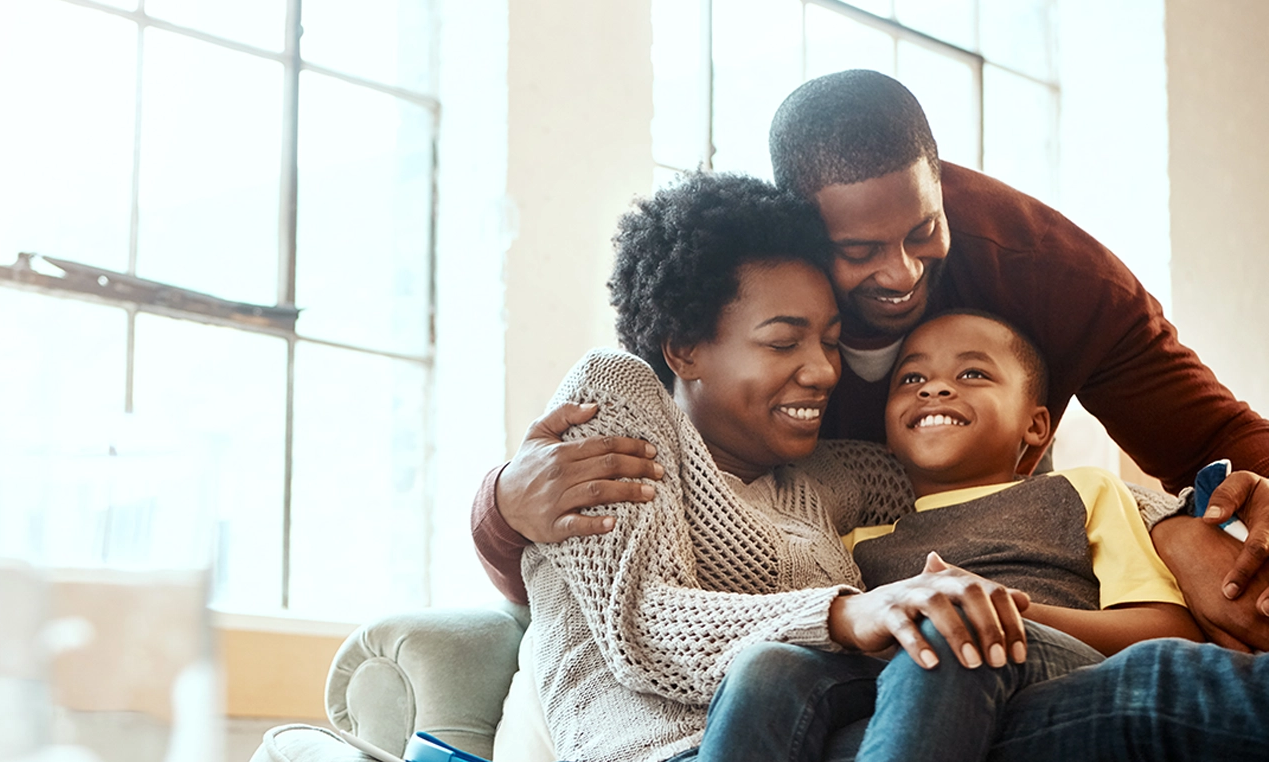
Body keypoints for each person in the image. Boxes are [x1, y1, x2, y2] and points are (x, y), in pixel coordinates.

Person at [475, 69, 1269, 649]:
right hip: (883, 638)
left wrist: (1180, 527)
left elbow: (1217, 441)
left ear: (940, 189)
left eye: (924, 231)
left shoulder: (1054, 276)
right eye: (858, 250)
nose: (900, 272)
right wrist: (502, 508)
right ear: (803, 233)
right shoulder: (724, 321)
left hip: (1021, 597)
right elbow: (613, 571)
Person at [512, 171, 1044, 762]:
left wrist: (1157, 513)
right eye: (784, 343)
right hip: (668, 755)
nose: (822, 371)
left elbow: (960, 473)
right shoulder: (617, 399)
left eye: (831, 342)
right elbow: (643, 624)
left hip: (834, 739)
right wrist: (845, 613)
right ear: (683, 348)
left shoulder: (821, 477)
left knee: (1141, 695)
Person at [691, 310, 1202, 762]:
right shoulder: (855, 542)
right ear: (888, 430)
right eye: (911, 377)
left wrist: (1003, 611)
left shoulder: (1080, 490)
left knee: (950, 622)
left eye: (972, 374)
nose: (933, 389)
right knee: (768, 665)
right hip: (907, 695)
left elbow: (1169, 631)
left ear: (1036, 425)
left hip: (1051, 665)